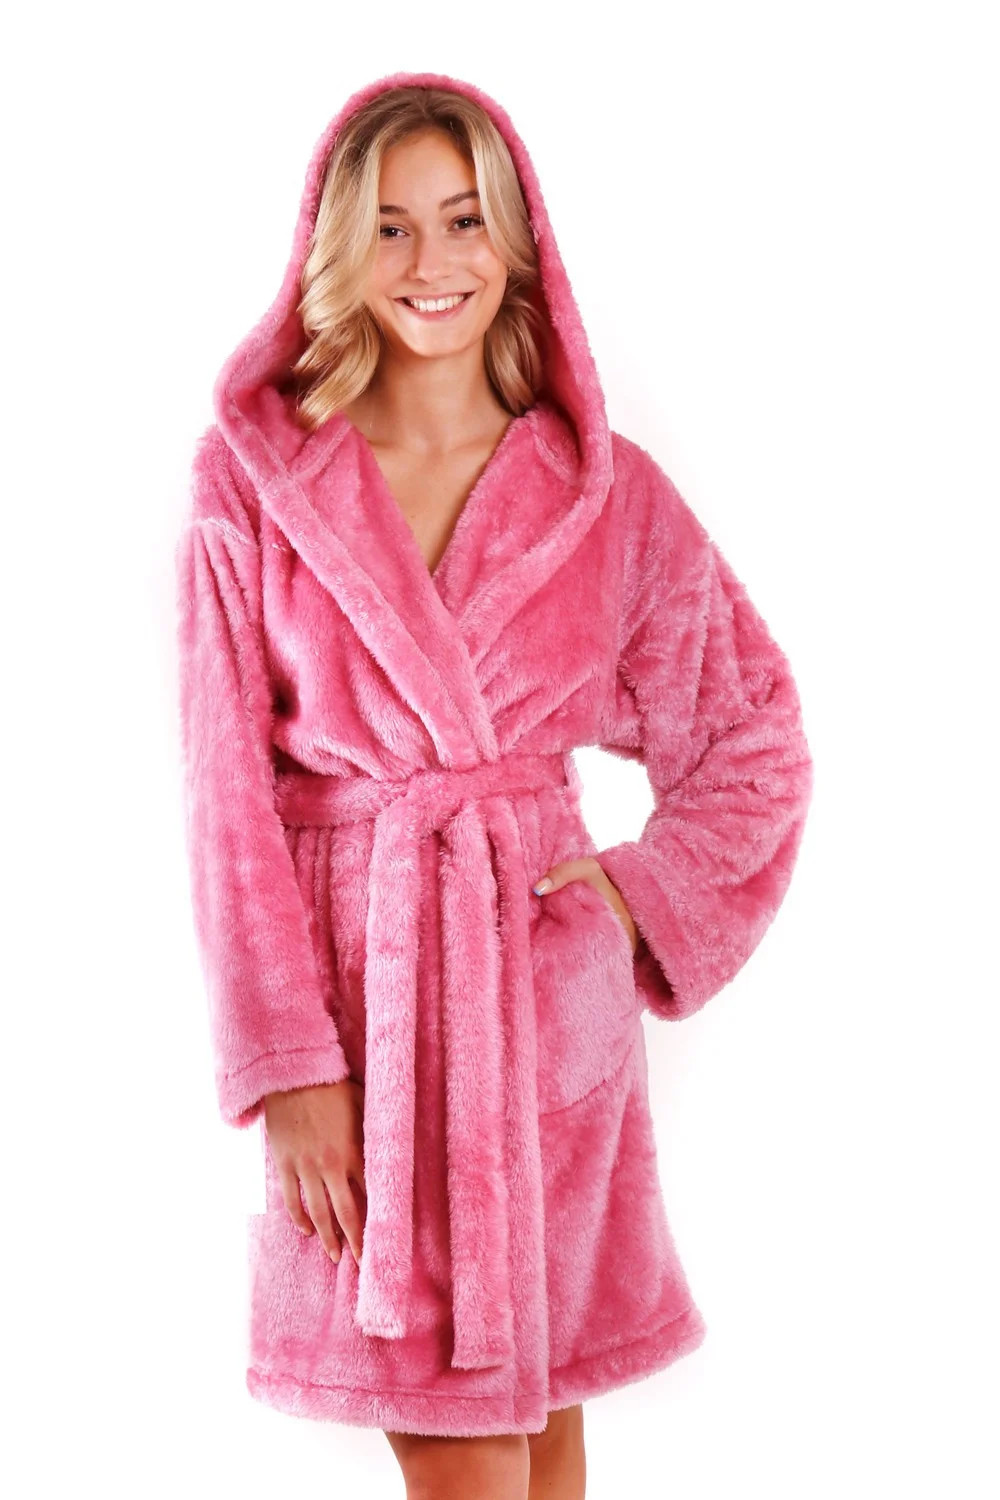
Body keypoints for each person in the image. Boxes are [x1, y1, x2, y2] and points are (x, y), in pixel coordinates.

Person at [175, 69, 814, 1500]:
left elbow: (755, 736)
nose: (432, 261)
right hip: (366, 1027)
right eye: (392, 226)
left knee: (536, 1448)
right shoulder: (257, 486)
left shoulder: (601, 494)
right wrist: (290, 1067)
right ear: (338, 245)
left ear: (516, 241)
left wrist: (631, 904)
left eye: (463, 219)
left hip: (539, 1022)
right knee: (474, 1457)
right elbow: (225, 800)